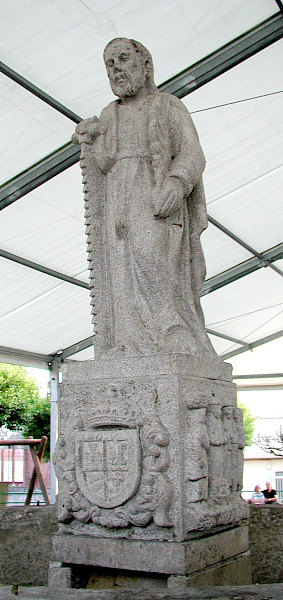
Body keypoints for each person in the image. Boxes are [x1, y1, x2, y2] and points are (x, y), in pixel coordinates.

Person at [73, 38, 216, 358]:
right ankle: (129, 340)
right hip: (119, 199)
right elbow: (105, 161)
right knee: (121, 269)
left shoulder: (168, 105)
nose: (116, 70)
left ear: (146, 65)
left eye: (122, 59)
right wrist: (92, 137)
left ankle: (172, 333)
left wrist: (177, 183)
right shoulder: (110, 112)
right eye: (109, 65)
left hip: (154, 199)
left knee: (155, 263)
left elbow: (193, 153)